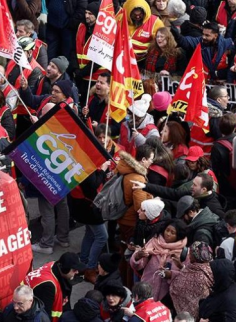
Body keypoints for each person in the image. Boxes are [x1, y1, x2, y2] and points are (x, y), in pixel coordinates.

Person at [116, 145, 154, 287]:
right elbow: (140, 206)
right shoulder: (138, 177)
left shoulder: (124, 169)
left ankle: (122, 279)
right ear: (143, 159)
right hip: (132, 221)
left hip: (123, 218)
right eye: (150, 159)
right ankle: (128, 284)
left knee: (123, 250)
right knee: (130, 255)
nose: (152, 162)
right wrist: (151, 198)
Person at [130, 219, 188, 301]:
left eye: (172, 233)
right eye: (167, 230)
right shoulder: (154, 242)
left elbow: (186, 276)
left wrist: (171, 274)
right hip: (147, 290)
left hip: (167, 297)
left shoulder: (183, 252)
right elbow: (138, 266)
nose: (168, 234)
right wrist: (137, 256)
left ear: (178, 236)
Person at [24, 252, 86, 321]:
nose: (77, 272)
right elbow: (45, 314)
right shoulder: (48, 286)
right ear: (65, 269)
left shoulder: (54, 264)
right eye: (74, 270)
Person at [169, 241, 214, 320]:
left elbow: (177, 287)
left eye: (191, 253)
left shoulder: (197, 274)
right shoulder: (211, 268)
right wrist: (181, 267)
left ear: (196, 255)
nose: (189, 255)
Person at [82, 73, 121, 137]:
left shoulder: (115, 105)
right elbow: (85, 118)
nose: (97, 84)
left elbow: (117, 129)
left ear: (109, 86)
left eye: (101, 83)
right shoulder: (91, 98)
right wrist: (84, 113)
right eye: (97, 81)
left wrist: (99, 127)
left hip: (104, 143)